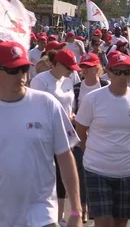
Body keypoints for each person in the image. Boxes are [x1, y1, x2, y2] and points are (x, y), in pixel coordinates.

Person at [0, 41, 82, 227]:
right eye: (13, 70)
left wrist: (76, 210)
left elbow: (65, 157)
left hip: (42, 216)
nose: (21, 75)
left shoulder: (46, 104)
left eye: (23, 68)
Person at [75, 53, 130, 227]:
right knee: (103, 222)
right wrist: (90, 151)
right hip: (97, 169)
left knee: (120, 222)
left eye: (127, 72)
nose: (123, 76)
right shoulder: (93, 98)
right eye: (118, 72)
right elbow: (81, 129)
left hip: (127, 170)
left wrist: (127, 148)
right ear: (108, 72)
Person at [30, 48, 81, 225]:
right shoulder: (40, 80)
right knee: (46, 175)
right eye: (69, 67)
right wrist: (59, 119)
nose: (72, 71)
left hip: (65, 134)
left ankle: (59, 217)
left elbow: (71, 105)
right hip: (44, 136)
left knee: (62, 177)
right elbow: (35, 109)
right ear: (58, 64)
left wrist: (72, 116)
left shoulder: (68, 81)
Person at [73, 53, 109, 222]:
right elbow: (73, 109)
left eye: (89, 67)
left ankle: (97, 207)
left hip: (102, 137)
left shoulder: (105, 85)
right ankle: (84, 207)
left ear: (98, 68)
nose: (85, 70)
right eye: (83, 67)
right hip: (81, 136)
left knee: (100, 173)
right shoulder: (76, 88)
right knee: (82, 171)